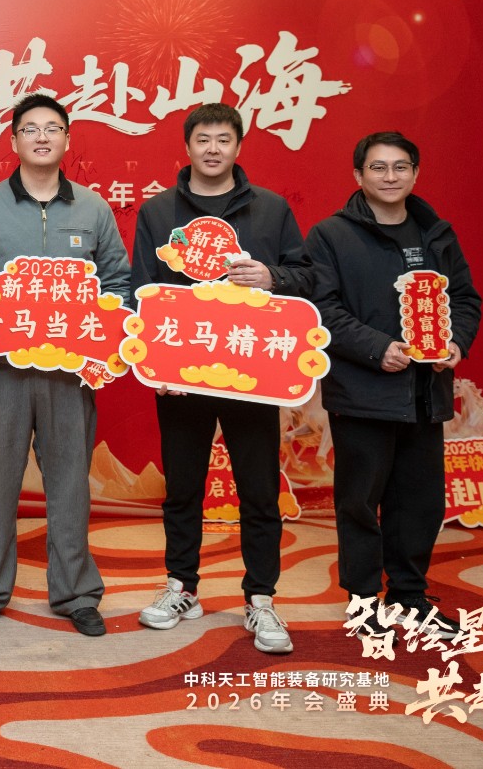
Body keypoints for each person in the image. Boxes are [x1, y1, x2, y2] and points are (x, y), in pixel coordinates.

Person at [0, 93, 131, 637]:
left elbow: (117, 285)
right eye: (31, 129)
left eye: (53, 128)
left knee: (71, 486)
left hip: (71, 375)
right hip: (2, 371)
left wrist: (103, 345)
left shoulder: (94, 209)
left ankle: (76, 593)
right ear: (14, 141)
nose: (42, 137)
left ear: (67, 139)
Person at [130, 102, 312, 654]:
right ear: (187, 147)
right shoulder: (158, 211)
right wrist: (154, 364)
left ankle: (261, 598)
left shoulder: (271, 209)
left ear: (238, 146)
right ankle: (182, 587)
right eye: (203, 139)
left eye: (223, 139)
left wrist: (271, 275)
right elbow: (142, 290)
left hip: (251, 371)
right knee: (182, 487)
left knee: (258, 489)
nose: (213, 149)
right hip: (182, 374)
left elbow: (308, 275)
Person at [304, 131, 480, 635]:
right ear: (358, 175)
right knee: (360, 502)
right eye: (378, 168)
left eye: (400, 167)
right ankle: (363, 602)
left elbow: (465, 298)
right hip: (363, 391)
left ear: (415, 174)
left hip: (426, 392)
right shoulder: (331, 235)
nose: (390, 176)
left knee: (420, 502)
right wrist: (376, 347)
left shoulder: (436, 233)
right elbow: (323, 308)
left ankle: (409, 595)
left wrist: (456, 343)